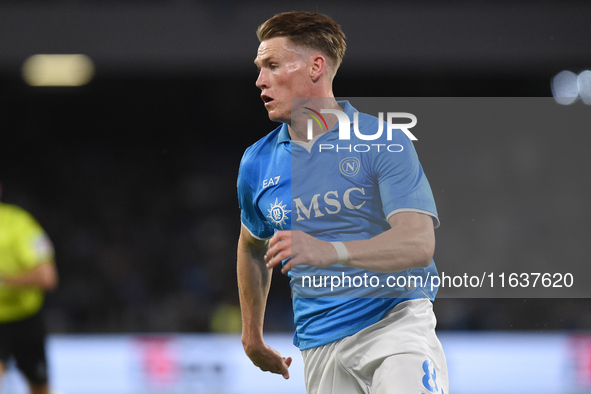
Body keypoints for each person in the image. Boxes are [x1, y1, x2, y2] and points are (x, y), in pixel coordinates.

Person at [237, 11, 448, 394]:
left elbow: (418, 243)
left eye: (272, 65)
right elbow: (252, 244)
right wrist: (252, 335)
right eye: (259, 68)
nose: (260, 80)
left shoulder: (383, 141)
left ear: (316, 67)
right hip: (319, 346)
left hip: (394, 326)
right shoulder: (258, 162)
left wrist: (328, 250)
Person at [0, 182, 58, 394]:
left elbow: (48, 277)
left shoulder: (18, 224)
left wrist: (4, 281)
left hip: (26, 320)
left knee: (39, 387)